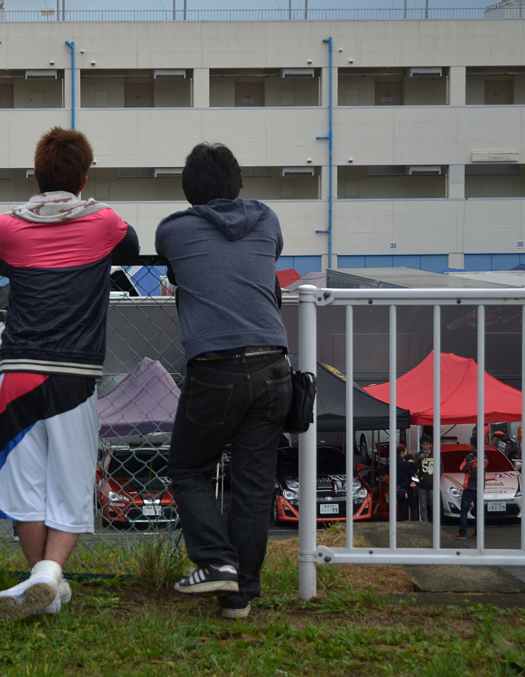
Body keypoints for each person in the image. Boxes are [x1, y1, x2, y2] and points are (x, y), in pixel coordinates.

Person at [0, 127, 139, 619]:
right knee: (69, 482)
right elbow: (130, 247)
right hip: (75, 373)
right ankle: (49, 577)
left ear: (37, 175)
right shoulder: (104, 222)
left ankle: (42, 587)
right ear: (84, 178)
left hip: (20, 369)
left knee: (26, 486)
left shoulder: (8, 224)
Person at [156, 142, 292, 621]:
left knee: (190, 469)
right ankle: (242, 596)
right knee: (254, 485)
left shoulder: (173, 230)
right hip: (274, 364)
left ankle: (216, 562)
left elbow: (180, 269)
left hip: (215, 366)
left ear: (188, 193)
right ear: (239, 186)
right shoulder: (268, 220)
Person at [456, 442, 487, 539]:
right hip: (480, 486)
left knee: (464, 510)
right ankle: (478, 532)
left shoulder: (469, 457)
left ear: (473, 445)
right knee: (479, 511)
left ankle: (463, 533)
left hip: (469, 487)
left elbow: (462, 468)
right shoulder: (485, 456)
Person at [415, 436, 435, 521]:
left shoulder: (435, 454)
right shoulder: (417, 455)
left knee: (435, 505)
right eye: (424, 444)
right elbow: (414, 466)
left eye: (427, 444)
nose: (425, 446)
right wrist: (420, 459)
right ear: (421, 445)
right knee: (423, 506)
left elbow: (441, 467)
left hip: (433, 484)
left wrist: (437, 478)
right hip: (421, 484)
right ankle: (425, 525)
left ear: (431, 445)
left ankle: (436, 524)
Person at [395, 444, 416, 521]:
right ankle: (414, 523)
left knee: (400, 507)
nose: (406, 453)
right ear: (401, 452)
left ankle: (398, 522)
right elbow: (412, 474)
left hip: (397, 488)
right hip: (406, 488)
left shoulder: (393, 462)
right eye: (405, 451)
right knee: (413, 507)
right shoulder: (406, 464)